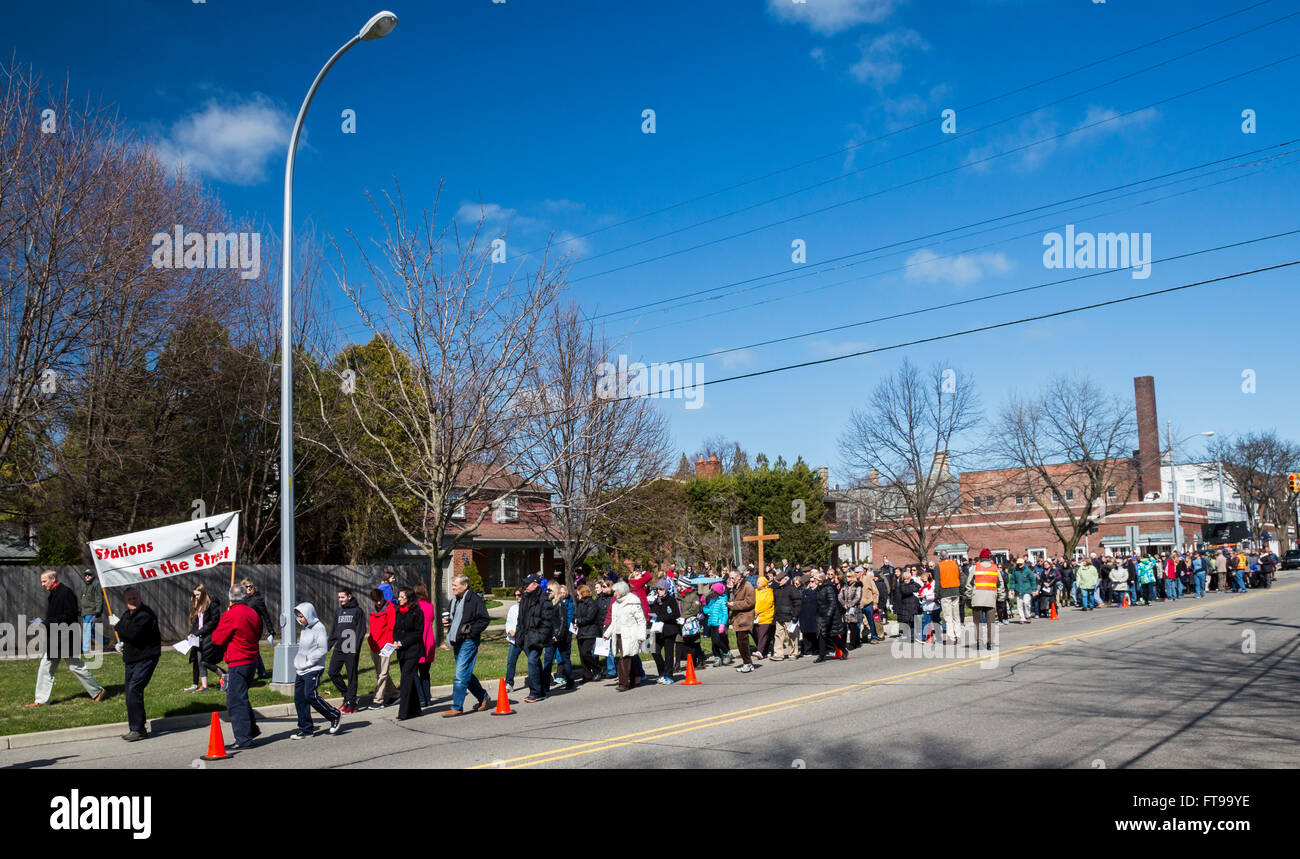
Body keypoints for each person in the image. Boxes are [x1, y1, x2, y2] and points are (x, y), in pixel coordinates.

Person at [211, 584, 263, 749]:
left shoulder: (231, 615)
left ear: (230, 597)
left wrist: (227, 614)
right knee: (242, 697)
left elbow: (217, 638)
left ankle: (243, 738)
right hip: (251, 660)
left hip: (238, 661)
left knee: (235, 701)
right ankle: (251, 730)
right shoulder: (252, 613)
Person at [111, 587, 160, 741]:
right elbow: (128, 635)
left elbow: (133, 632)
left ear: (140, 597)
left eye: (135, 598)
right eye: (129, 599)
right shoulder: (128, 614)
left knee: (134, 689)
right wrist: (120, 644)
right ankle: (137, 728)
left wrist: (117, 625)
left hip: (146, 657)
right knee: (130, 692)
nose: (132, 601)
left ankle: (137, 729)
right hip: (132, 658)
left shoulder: (146, 614)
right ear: (125, 601)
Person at [439, 574, 491, 715]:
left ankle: (456, 707)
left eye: (455, 585)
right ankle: (483, 696)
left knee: (460, 675)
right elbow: (455, 618)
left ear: (465, 585)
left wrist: (470, 631)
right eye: (453, 585)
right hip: (457, 640)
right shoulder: (455, 600)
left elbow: (484, 619)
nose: (453, 588)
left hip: (469, 641)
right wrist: (448, 623)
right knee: (465, 672)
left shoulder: (474, 600)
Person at [291, 602, 342, 739]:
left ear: (309, 614)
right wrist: (299, 662)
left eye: (302, 616)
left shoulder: (319, 628)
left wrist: (309, 661)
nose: (299, 619)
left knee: (310, 695)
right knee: (299, 699)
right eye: (298, 617)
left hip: (314, 668)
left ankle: (334, 715)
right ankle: (306, 729)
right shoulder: (304, 629)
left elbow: (322, 649)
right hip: (301, 669)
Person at [327, 588, 366, 714]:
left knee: (351, 676)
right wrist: (327, 647)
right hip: (339, 647)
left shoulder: (357, 611)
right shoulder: (339, 611)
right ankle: (347, 696)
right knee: (332, 672)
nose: (340, 600)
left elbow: (361, 631)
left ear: (349, 597)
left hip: (351, 648)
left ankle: (351, 703)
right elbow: (334, 631)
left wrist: (356, 647)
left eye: (342, 597)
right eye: (339, 597)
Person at [517, 574, 556, 703]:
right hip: (526, 637)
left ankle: (535, 692)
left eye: (527, 584)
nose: (525, 586)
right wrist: (519, 635)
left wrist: (540, 637)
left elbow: (547, 621)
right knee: (536, 662)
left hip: (537, 637)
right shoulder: (525, 598)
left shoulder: (544, 599)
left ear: (535, 585)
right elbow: (520, 619)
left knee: (532, 661)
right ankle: (542, 688)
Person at [603, 581, 647, 692]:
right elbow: (614, 622)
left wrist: (641, 636)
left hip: (630, 635)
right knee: (629, 656)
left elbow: (641, 621)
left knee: (624, 658)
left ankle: (623, 683)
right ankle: (635, 679)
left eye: (616, 591)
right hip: (618, 635)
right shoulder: (616, 604)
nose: (614, 594)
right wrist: (607, 634)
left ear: (622, 591)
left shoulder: (633, 602)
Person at [391, 586, 425, 721]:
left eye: (402, 597)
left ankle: (403, 712)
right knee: (409, 679)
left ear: (409, 598)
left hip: (413, 650)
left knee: (405, 680)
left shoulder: (417, 612)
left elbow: (418, 633)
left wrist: (403, 643)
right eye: (398, 597)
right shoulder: (399, 612)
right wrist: (395, 641)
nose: (399, 599)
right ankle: (415, 709)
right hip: (402, 651)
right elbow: (396, 629)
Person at [185, 584, 226, 692]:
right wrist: (191, 633)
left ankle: (224, 675)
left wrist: (198, 632)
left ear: (203, 593)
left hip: (210, 636)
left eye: (198, 595)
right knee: (199, 661)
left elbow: (213, 622)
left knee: (205, 661)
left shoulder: (211, 604)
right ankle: (204, 686)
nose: (196, 597)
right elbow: (197, 624)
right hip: (200, 637)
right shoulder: (199, 605)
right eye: (195, 595)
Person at [964, 550, 1003, 651]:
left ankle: (979, 643)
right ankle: (990, 643)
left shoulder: (975, 567)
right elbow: (1000, 584)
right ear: (990, 557)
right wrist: (1000, 597)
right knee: (991, 622)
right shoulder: (995, 568)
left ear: (980, 557)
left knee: (978, 622)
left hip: (977, 598)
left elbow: (969, 584)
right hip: (991, 599)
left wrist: (969, 596)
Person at [366, 588, 397, 709]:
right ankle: (395, 694)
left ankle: (378, 700)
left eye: (380, 600)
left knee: (383, 673)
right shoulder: (372, 609)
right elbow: (372, 628)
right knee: (380, 673)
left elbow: (392, 626)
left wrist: (390, 643)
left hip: (386, 644)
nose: (378, 603)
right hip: (374, 644)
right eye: (376, 601)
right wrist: (371, 641)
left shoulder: (390, 608)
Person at [241, 578, 276, 680]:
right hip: (245, 628)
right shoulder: (242, 600)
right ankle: (261, 672)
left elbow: (265, 615)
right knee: (252, 650)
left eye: (250, 586)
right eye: (246, 587)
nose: (248, 588)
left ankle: (260, 672)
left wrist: (271, 631)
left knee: (253, 650)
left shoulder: (257, 599)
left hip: (254, 628)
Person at [544, 582, 576, 692]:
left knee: (565, 659)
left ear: (556, 591)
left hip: (561, 637)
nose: (547, 592)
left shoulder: (560, 604)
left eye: (550, 590)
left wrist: (558, 635)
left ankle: (570, 682)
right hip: (550, 637)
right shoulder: (548, 604)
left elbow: (563, 622)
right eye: (547, 590)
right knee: (548, 660)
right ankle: (545, 685)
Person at [648, 578, 681, 683]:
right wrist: (652, 617)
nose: (659, 591)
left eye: (661, 589)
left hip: (669, 629)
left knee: (668, 654)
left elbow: (676, 614)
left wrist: (662, 617)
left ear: (666, 589)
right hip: (658, 630)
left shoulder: (671, 599)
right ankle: (662, 672)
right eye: (657, 589)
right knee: (655, 651)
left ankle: (669, 676)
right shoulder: (656, 601)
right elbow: (653, 613)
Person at [727, 569, 756, 673]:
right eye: (729, 578)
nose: (731, 580)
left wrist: (734, 604)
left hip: (745, 617)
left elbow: (750, 602)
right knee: (740, 642)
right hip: (738, 618)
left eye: (732, 578)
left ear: (739, 577)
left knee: (743, 642)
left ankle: (747, 663)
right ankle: (747, 663)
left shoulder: (747, 586)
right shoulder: (736, 587)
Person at [574, 584, 603, 683]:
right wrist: (575, 622)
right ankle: (587, 675)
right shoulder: (579, 603)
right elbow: (577, 615)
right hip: (581, 631)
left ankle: (597, 669)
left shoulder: (592, 603)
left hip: (591, 631)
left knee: (585, 652)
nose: (577, 595)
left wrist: (579, 621)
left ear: (582, 592)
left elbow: (590, 617)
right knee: (582, 656)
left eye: (578, 593)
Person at [815, 570, 846, 661]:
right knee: (822, 635)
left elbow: (832, 603)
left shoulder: (828, 588)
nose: (813, 581)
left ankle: (844, 650)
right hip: (821, 615)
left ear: (820, 580)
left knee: (834, 636)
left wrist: (828, 615)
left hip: (830, 616)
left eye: (815, 579)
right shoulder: (818, 589)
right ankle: (821, 655)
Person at [771, 569, 800, 659]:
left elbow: (797, 603)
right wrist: (776, 581)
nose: (778, 582)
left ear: (786, 579)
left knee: (792, 636)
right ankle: (778, 654)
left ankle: (793, 653)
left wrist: (795, 615)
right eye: (778, 580)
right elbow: (772, 586)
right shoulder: (776, 589)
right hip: (779, 615)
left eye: (780, 580)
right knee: (778, 635)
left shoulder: (792, 589)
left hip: (789, 616)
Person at [935, 554, 963, 643]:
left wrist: (936, 594)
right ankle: (958, 635)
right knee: (956, 615)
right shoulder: (954, 564)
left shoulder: (938, 566)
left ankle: (951, 637)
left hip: (945, 591)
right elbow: (959, 577)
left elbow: (937, 581)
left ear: (940, 557)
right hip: (955, 590)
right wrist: (961, 590)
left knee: (948, 616)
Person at [78, 569, 106, 654]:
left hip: (92, 611)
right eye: (85, 575)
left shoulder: (96, 584)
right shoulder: (85, 586)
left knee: (86, 629)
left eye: (89, 575)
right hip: (85, 612)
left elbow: (98, 598)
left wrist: (98, 610)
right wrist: (81, 610)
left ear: (93, 575)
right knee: (89, 629)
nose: (87, 576)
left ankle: (85, 649)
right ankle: (105, 640)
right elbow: (83, 599)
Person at [704, 582, 732, 665]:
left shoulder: (723, 601)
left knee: (717, 641)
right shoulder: (712, 601)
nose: (711, 592)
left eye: (713, 590)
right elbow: (708, 611)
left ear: (718, 591)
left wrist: (723, 624)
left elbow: (725, 614)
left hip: (719, 624)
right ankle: (717, 657)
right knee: (713, 643)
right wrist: (704, 605)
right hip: (712, 623)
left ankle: (726, 652)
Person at [894, 568, 921, 644]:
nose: (906, 580)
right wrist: (912, 589)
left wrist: (912, 588)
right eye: (905, 579)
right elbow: (905, 592)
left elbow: (919, 587)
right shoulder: (902, 585)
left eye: (907, 579)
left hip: (914, 606)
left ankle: (912, 637)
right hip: (905, 606)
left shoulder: (914, 583)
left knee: (913, 622)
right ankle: (908, 636)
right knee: (907, 623)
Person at [504, 588, 523, 690]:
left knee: (534, 661)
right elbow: (508, 622)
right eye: (515, 595)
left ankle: (539, 680)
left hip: (525, 640)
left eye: (519, 595)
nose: (517, 597)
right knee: (511, 661)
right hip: (514, 640)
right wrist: (509, 631)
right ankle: (509, 683)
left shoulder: (528, 608)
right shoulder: (512, 608)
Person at [838, 571, 862, 649]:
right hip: (845, 609)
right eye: (846, 576)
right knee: (844, 626)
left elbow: (858, 597)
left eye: (849, 576)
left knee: (853, 626)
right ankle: (843, 643)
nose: (847, 578)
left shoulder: (857, 585)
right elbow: (840, 596)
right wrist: (844, 604)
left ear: (852, 577)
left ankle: (853, 643)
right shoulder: (844, 586)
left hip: (853, 608)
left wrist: (849, 605)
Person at [753, 574, 775, 658]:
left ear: (763, 583)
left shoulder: (769, 591)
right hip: (756, 617)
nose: (757, 584)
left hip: (766, 616)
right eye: (757, 582)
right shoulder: (756, 591)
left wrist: (759, 611)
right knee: (758, 634)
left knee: (762, 634)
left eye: (759, 583)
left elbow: (768, 603)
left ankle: (759, 651)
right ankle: (765, 651)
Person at [798, 575, 819, 657]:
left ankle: (815, 649)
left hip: (815, 615)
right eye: (809, 581)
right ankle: (807, 650)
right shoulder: (805, 592)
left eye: (812, 581)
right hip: (805, 615)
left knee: (814, 634)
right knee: (806, 634)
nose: (810, 583)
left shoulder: (818, 591)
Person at [1010, 558, 1036, 623]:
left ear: (1024, 563)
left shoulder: (1028, 571)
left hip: (1027, 589)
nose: (1019, 566)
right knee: (1019, 604)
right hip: (1018, 589)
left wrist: (1034, 590)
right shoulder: (1015, 571)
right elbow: (1012, 580)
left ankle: (1028, 615)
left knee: (1026, 602)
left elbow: (1033, 580)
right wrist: (1012, 589)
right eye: (1018, 564)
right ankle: (1022, 618)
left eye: (1021, 564)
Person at [860, 569, 881, 643]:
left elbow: (875, 592)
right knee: (862, 623)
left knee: (871, 622)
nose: (856, 574)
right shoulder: (855, 581)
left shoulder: (868, 580)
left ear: (861, 573)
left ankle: (874, 637)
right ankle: (863, 637)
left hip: (868, 604)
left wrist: (875, 603)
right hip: (859, 605)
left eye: (857, 572)